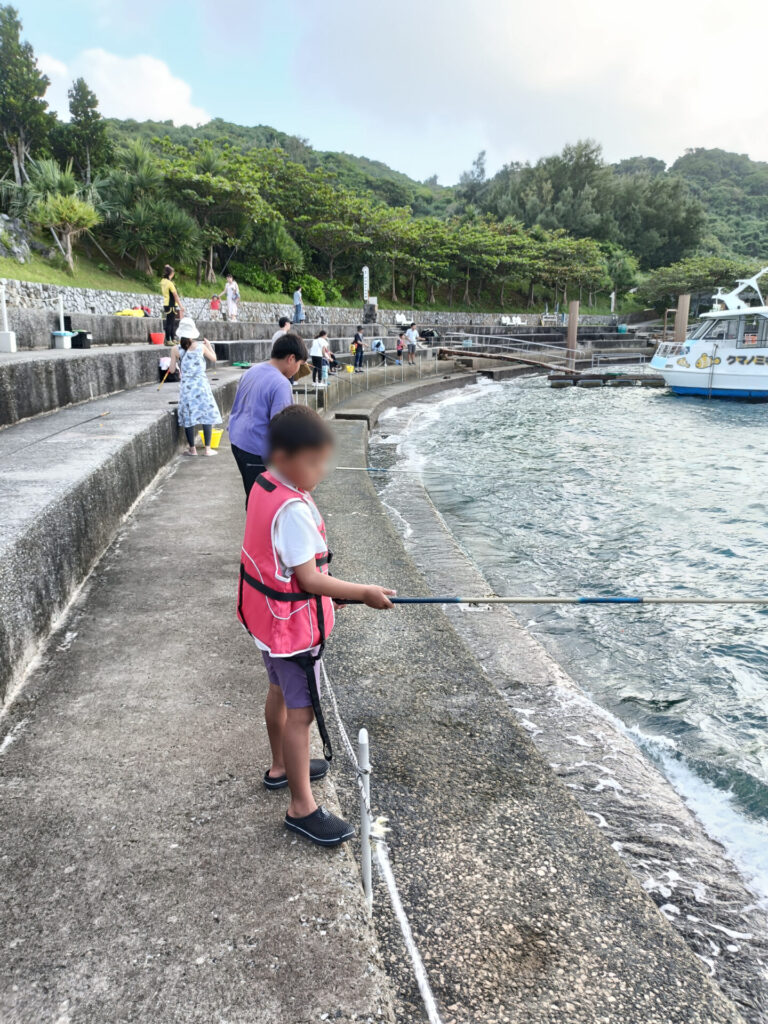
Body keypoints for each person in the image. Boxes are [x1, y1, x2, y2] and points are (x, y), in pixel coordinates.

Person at [237, 404, 396, 846]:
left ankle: (281, 767)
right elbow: (308, 578)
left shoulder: (264, 484)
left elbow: (283, 570)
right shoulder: (293, 510)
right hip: (292, 634)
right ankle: (301, 806)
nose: (322, 471)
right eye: (314, 462)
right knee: (301, 713)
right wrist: (361, 591)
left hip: (267, 624)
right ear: (285, 457)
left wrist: (337, 597)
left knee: (277, 692)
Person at [228, 332, 309, 502]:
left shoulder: (253, 370)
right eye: (299, 364)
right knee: (262, 501)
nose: (297, 370)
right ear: (291, 358)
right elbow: (281, 429)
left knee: (252, 493)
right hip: (256, 450)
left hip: (237, 442)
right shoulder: (281, 384)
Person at [167, 317, 221, 457]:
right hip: (201, 385)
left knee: (189, 416)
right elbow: (214, 358)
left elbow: (172, 370)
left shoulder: (175, 349)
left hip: (187, 387)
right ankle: (208, 449)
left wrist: (175, 364)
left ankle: (192, 449)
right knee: (206, 414)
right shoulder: (201, 347)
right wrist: (209, 345)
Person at [160, 265, 184, 344]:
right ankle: (168, 339)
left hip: (166, 303)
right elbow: (175, 295)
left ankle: (173, 338)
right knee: (170, 322)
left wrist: (167, 267)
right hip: (171, 304)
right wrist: (181, 306)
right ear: (172, 273)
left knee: (171, 321)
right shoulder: (170, 283)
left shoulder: (163, 281)